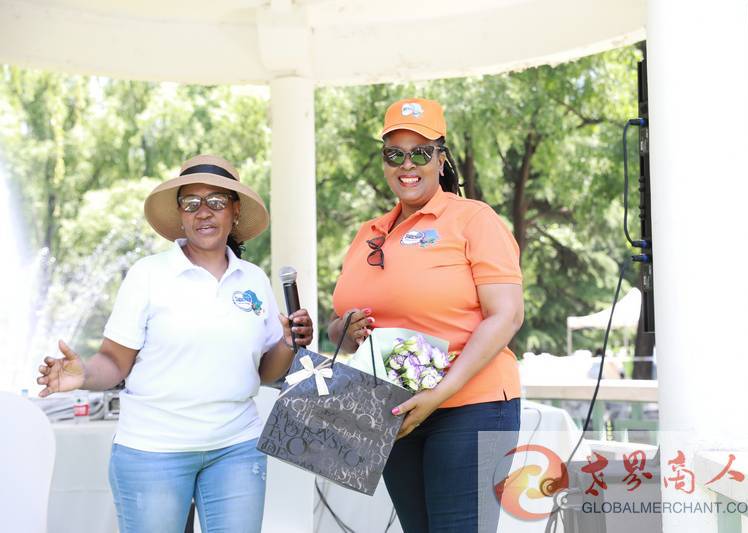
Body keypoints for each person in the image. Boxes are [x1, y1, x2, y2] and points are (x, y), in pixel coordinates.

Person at [37, 155, 313, 533]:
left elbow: (266, 373)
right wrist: (83, 374)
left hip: (236, 447)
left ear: (235, 212)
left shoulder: (253, 279)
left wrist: (287, 343)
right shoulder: (148, 275)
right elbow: (114, 362)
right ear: (180, 214)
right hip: (154, 450)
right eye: (191, 202)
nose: (204, 212)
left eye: (217, 201)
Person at [328, 98, 524, 532]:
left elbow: (507, 316)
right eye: (394, 154)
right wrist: (344, 327)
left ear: (441, 158)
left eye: (420, 153)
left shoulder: (474, 219)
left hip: (471, 405)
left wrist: (439, 393)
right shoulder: (368, 232)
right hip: (393, 406)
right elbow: (339, 323)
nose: (407, 165)